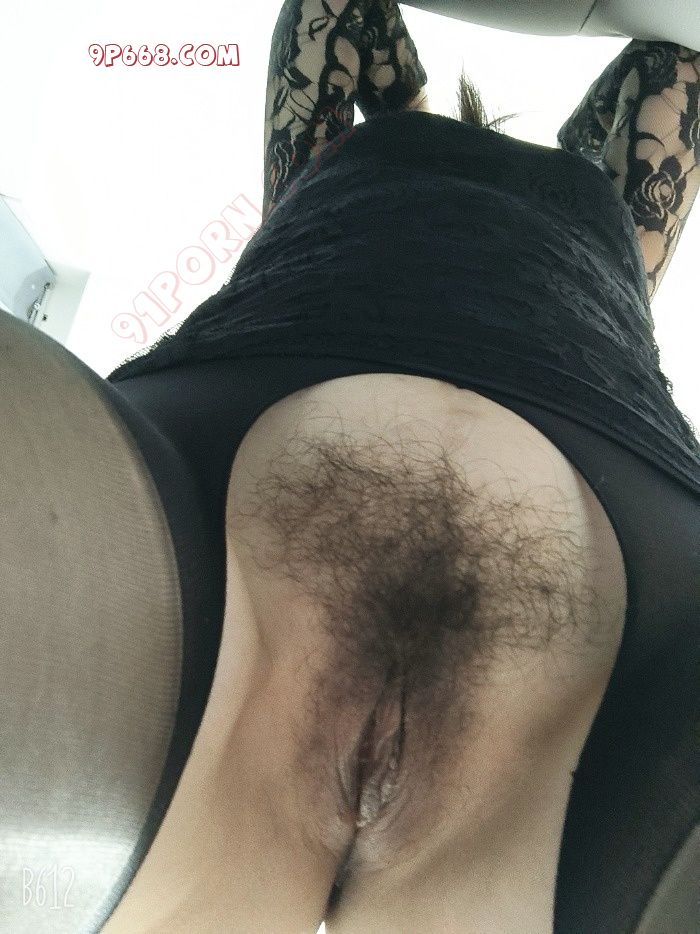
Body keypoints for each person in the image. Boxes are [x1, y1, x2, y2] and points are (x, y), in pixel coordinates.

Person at [3, 2, 697, 932]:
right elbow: (671, 68)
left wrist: (414, 123)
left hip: (240, 423)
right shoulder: (608, 233)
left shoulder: (335, 177)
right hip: (602, 461)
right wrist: (432, 119)